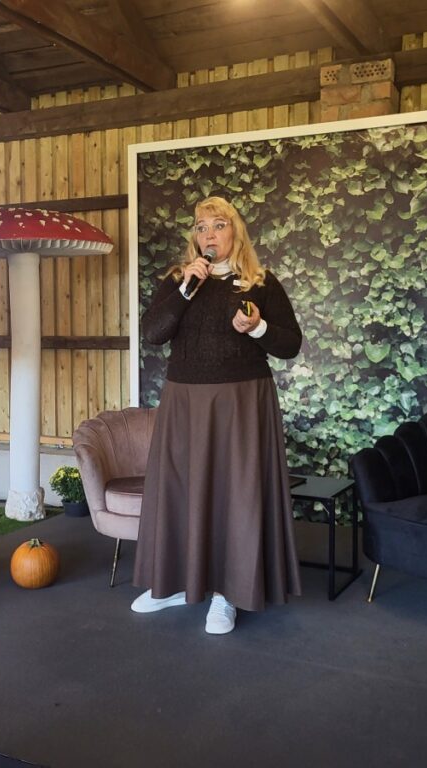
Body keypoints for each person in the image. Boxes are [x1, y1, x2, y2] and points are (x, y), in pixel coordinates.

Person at [132, 195, 303, 635]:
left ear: (235, 232)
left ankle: (227, 594)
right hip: (185, 401)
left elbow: (290, 345)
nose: (209, 234)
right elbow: (153, 333)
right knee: (180, 491)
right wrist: (186, 290)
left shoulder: (260, 282)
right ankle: (174, 584)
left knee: (234, 495)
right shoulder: (180, 279)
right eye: (202, 227)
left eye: (219, 225)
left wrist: (258, 326)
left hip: (241, 401)